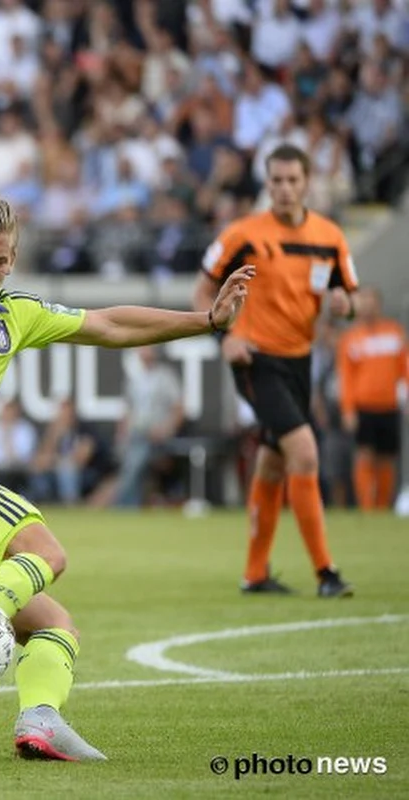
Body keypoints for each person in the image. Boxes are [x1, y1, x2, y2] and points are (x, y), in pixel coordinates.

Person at [0, 194, 251, 761]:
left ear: (14, 259)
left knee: (54, 623)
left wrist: (205, 321)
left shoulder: (15, 314)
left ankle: (40, 721)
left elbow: (108, 324)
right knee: (45, 551)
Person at [194, 144, 358, 598]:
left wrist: (345, 307)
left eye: (293, 180)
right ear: (267, 184)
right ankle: (326, 573)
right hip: (256, 359)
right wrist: (224, 336)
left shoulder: (330, 236)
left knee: (272, 463)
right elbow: (201, 290)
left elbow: (348, 299)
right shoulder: (242, 234)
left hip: (300, 362)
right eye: (276, 181)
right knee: (304, 452)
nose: (284, 189)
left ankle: (254, 574)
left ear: (307, 183)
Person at [336, 287, 408, 510]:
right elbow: (345, 378)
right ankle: (367, 508)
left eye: (370, 301)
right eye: (363, 301)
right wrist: (348, 409)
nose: (367, 306)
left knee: (386, 458)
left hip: (389, 405)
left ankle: (382, 506)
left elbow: (404, 368)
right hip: (363, 407)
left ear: (378, 304)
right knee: (364, 456)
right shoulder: (350, 339)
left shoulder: (394, 333)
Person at [113, 345, 185, 507]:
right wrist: (121, 434)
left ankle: (124, 506)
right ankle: (129, 503)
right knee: (131, 460)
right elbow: (127, 410)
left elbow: (179, 409)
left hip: (157, 435)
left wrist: (166, 430)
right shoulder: (134, 378)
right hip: (135, 434)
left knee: (135, 460)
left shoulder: (165, 376)